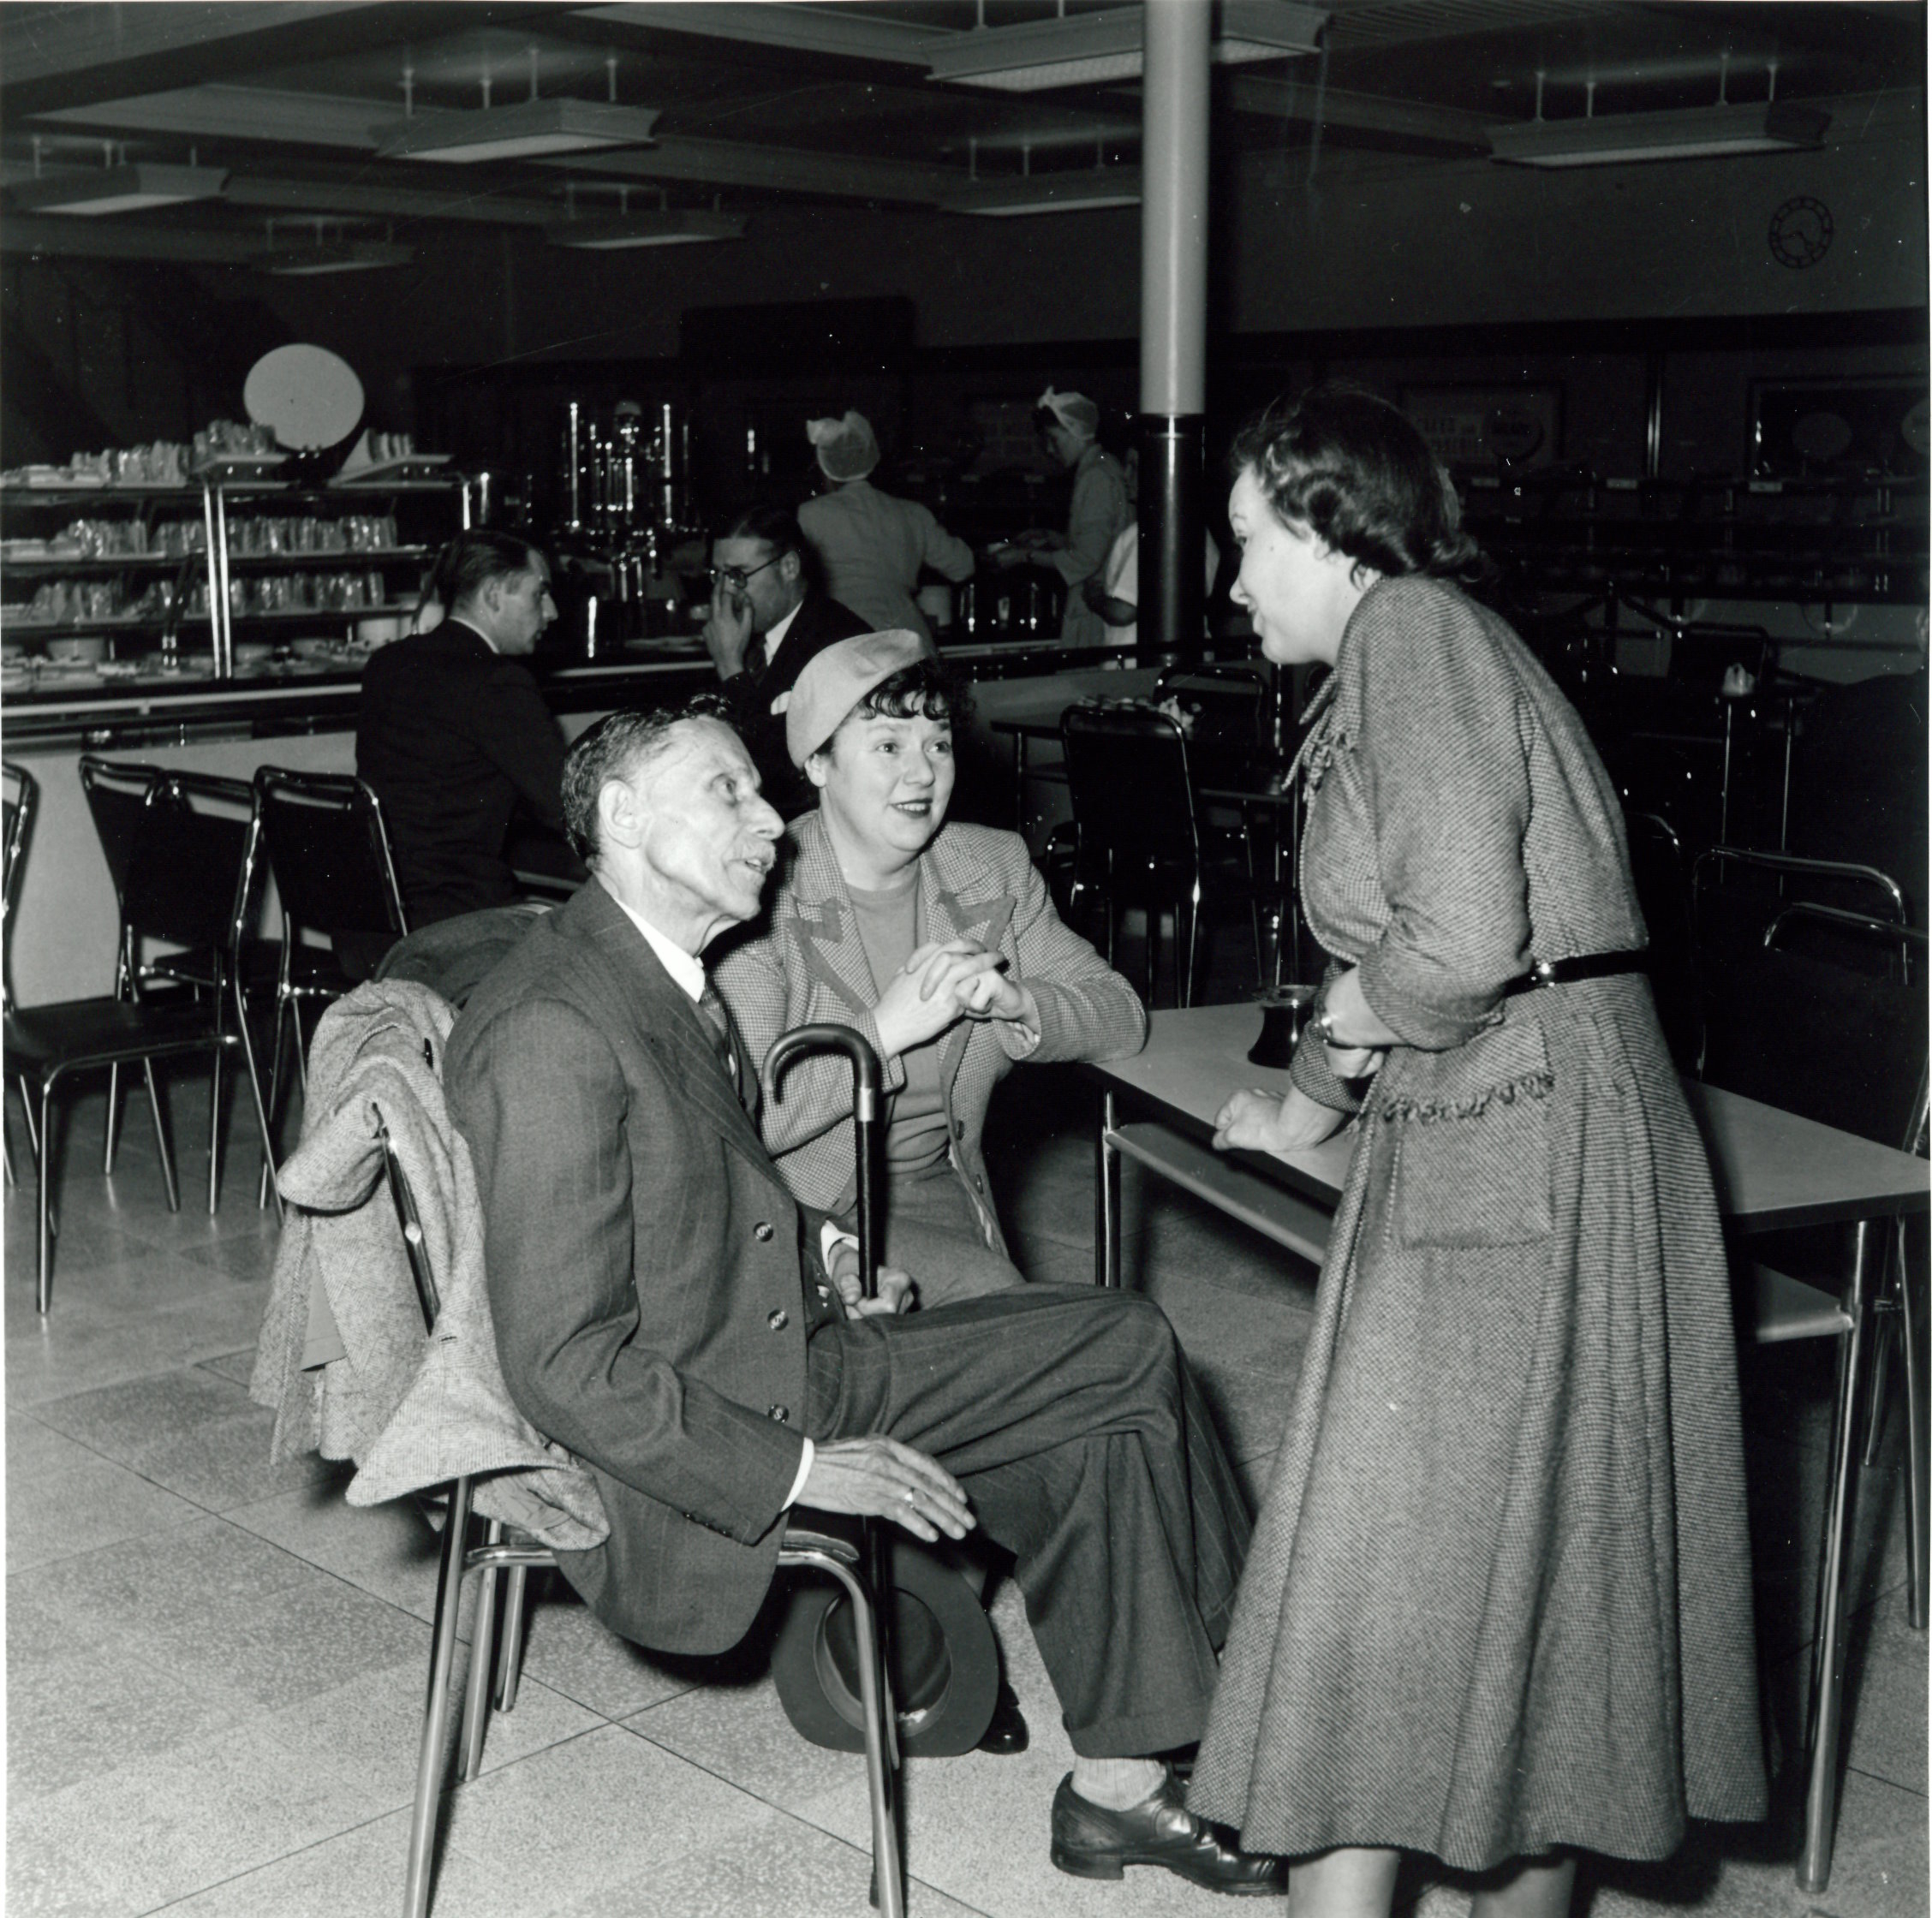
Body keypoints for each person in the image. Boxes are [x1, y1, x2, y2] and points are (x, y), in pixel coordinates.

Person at [444, 700, 1287, 1897]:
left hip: (780, 1335)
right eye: (726, 794)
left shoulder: (650, 972)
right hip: (746, 1405)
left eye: (756, 791)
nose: (766, 827)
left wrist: (828, 1245)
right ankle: (1267, 1708)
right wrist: (797, 1473)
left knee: (1098, 1423)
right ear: (624, 820)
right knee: (1126, 1340)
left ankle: (1122, 1792)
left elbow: (715, 1186)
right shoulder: (554, 1028)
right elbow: (565, 1363)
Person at [1186, 385, 1768, 1917]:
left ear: (1326, 528)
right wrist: (1308, 1099)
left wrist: (1330, 1058)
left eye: (1247, 544)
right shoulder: (1430, 645)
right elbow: (1420, 957)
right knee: (1533, 1588)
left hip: (1517, 1127)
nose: (1233, 583)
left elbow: (1451, 946)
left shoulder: (1414, 638)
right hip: (1539, 1115)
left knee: (1366, 1590)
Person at [714, 630, 1147, 1304]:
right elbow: (743, 1120)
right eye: (888, 746)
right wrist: (881, 1032)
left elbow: (1121, 1015)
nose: (923, 774)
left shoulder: (992, 868)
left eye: (937, 745)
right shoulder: (759, 893)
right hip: (791, 1205)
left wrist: (1019, 1003)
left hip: (932, 1189)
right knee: (1007, 1322)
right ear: (819, 763)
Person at [356, 529, 579, 927]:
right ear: (493, 594)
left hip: (376, 917)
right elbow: (567, 805)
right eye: (538, 593)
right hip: (457, 918)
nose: (552, 611)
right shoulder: (497, 682)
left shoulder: (388, 664)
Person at [701, 503, 869, 817]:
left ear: (789, 567)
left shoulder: (835, 641)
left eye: (738, 575)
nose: (724, 592)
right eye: (718, 575)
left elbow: (778, 769)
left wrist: (729, 667)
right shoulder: (748, 634)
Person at [797, 411, 975, 644]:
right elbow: (963, 566)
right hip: (905, 636)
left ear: (825, 469)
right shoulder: (913, 513)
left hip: (840, 637)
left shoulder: (811, 513)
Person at [993, 386, 1130, 651]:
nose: (1050, 450)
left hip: (1096, 607)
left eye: (1054, 440)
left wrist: (1022, 555)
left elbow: (1087, 559)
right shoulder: (1101, 465)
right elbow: (1100, 539)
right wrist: (1051, 538)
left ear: (1075, 432)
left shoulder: (1096, 477)